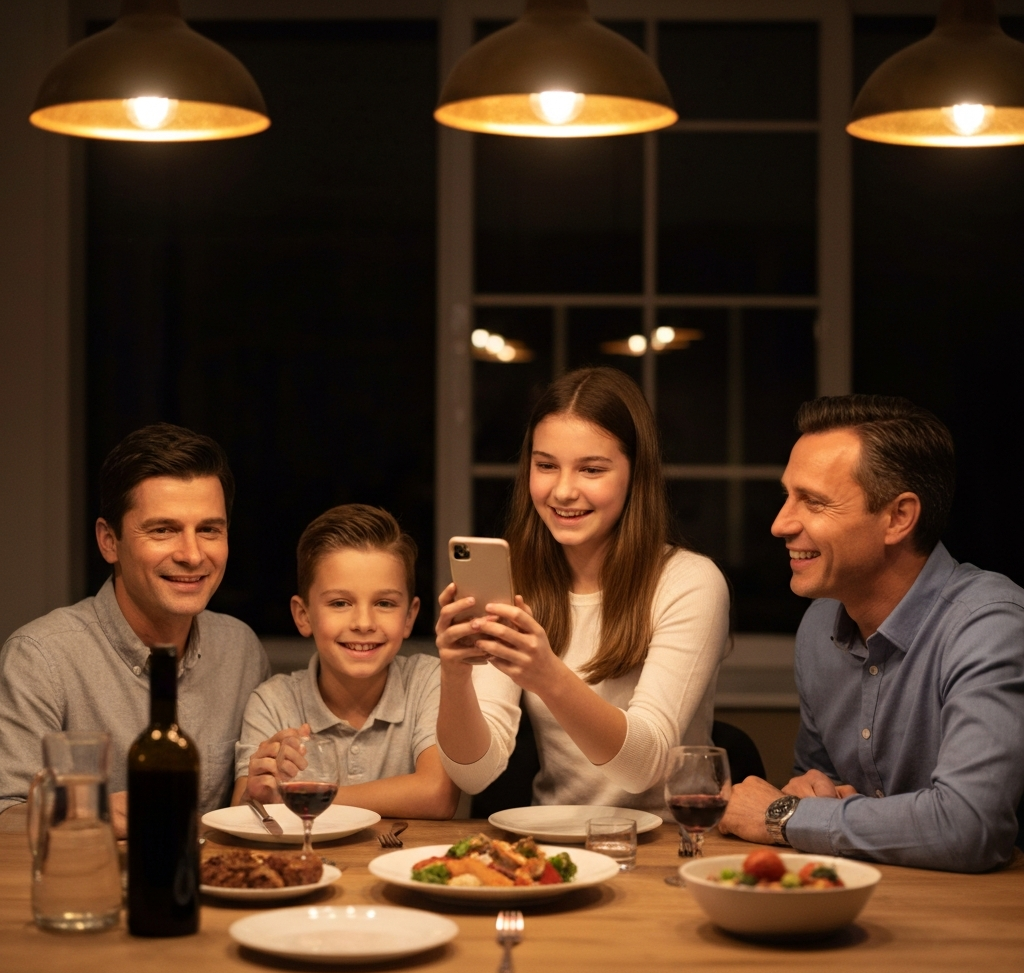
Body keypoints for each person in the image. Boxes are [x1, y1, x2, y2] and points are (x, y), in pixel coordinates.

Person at [720, 395, 1024, 872]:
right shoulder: (819, 626)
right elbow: (817, 785)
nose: (781, 523)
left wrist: (782, 814)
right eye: (787, 496)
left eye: (814, 502)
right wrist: (807, 795)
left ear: (898, 517)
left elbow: (970, 828)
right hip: (864, 893)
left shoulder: (990, 624)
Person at [434, 367, 730, 812]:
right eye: (546, 466)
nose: (564, 491)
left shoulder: (688, 582)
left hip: (661, 847)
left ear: (636, 475)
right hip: (551, 842)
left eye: (591, 469)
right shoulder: (521, 581)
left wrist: (547, 675)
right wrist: (455, 674)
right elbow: (474, 773)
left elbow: (643, 765)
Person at [0, 424, 271, 835]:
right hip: (89, 890)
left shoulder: (241, 650)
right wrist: (89, 812)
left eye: (209, 530)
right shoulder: (40, 658)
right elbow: (5, 814)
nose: (192, 554)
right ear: (110, 541)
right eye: (163, 530)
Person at [234, 504, 459, 819]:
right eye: (340, 603)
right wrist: (256, 795)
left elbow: (438, 795)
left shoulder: (429, 680)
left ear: (409, 616)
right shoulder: (274, 702)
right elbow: (244, 814)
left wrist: (303, 796)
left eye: (384, 603)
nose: (364, 622)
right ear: (304, 615)